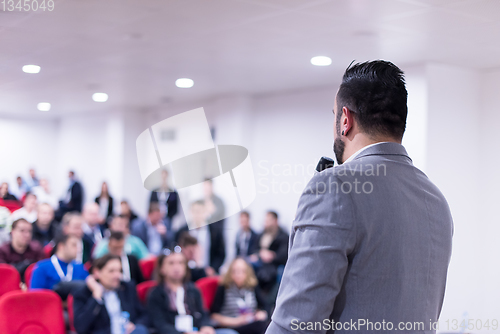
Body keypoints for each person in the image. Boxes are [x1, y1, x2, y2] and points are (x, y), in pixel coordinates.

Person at [265, 60, 454, 334]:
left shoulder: (335, 186)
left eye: (333, 115)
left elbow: (295, 323)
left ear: (345, 119)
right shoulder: (437, 201)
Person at [147, 248, 238, 334]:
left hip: (196, 330)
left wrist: (206, 326)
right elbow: (160, 325)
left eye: (181, 263)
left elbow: (203, 314)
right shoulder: (156, 294)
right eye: (171, 263)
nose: (176, 267)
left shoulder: (193, 289)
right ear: (162, 268)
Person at [73, 254, 149, 334]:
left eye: (119, 271)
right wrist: (96, 298)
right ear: (97, 272)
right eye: (111, 271)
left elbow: (145, 315)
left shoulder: (127, 288)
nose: (117, 275)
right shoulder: (83, 294)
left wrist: (134, 325)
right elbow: (80, 327)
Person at [211, 258, 270, 334]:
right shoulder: (224, 287)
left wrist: (261, 314)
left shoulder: (252, 287)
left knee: (264, 325)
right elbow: (214, 315)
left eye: (241, 271)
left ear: (247, 273)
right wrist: (237, 321)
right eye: (234, 271)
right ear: (230, 272)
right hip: (231, 326)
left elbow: (265, 306)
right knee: (260, 326)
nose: (238, 274)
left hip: (249, 323)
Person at [175, 200, 226, 273]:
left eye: (200, 211)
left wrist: (213, 268)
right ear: (190, 212)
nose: (197, 214)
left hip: (207, 272)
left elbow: (221, 253)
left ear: (206, 213)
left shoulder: (215, 231)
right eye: (195, 211)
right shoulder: (181, 231)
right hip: (187, 272)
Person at [248, 211, 288, 293]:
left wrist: (272, 256)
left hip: (275, 265)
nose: (266, 223)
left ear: (275, 221)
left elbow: (284, 255)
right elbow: (253, 249)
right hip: (259, 263)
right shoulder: (261, 235)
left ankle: (269, 303)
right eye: (266, 220)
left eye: (269, 220)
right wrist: (260, 254)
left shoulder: (283, 236)